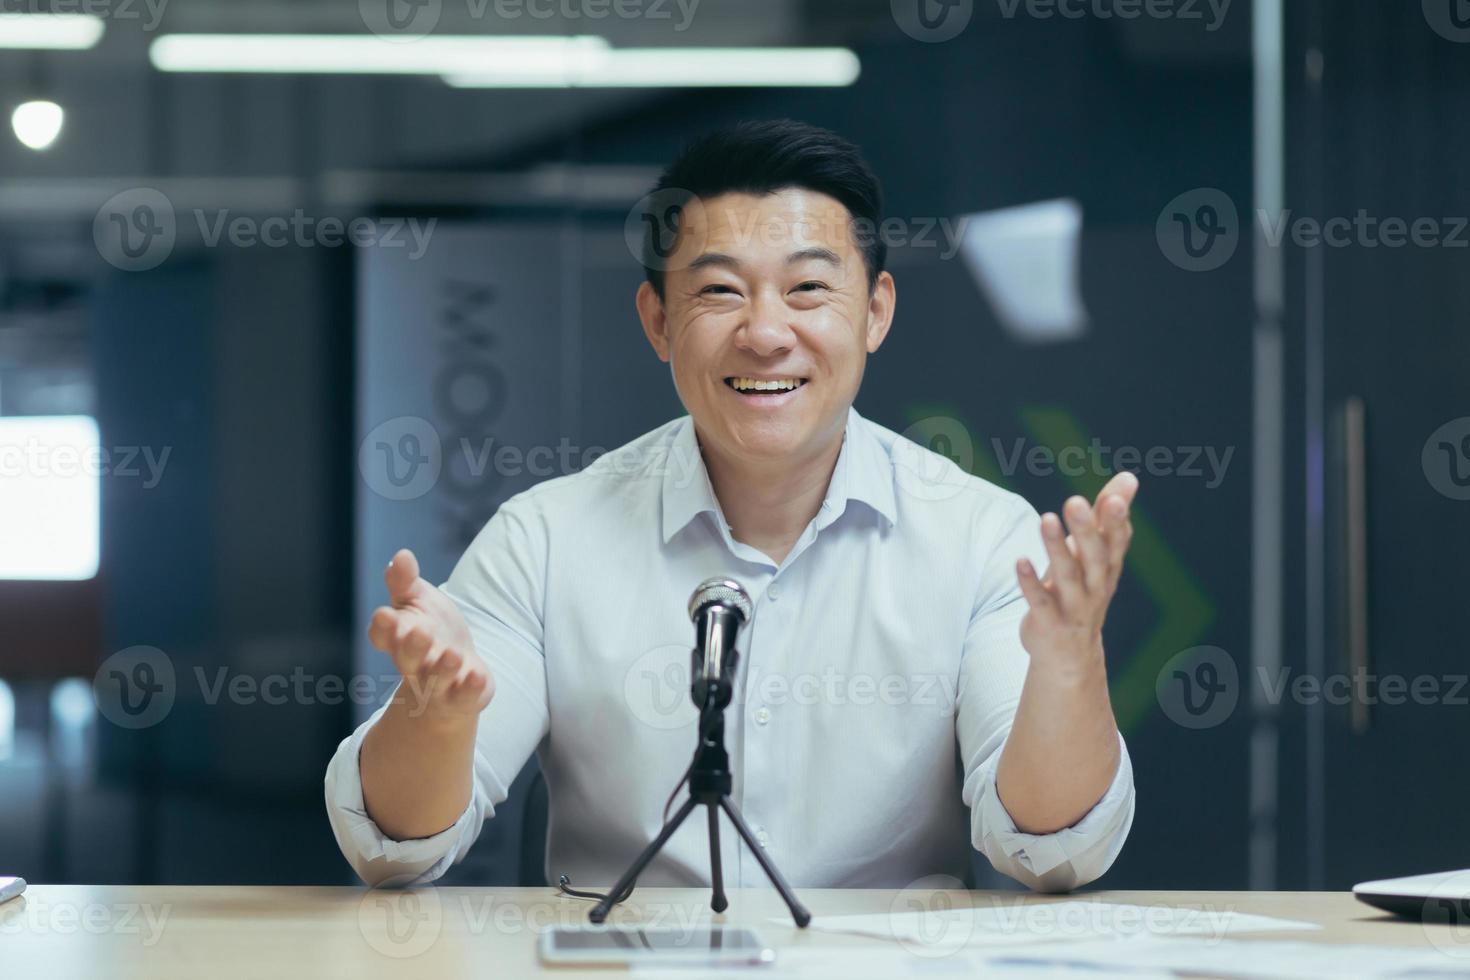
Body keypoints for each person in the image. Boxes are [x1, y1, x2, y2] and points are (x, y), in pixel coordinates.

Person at [326, 119, 1137, 894]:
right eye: (719, 291)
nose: (765, 331)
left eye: (808, 288)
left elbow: (1051, 849)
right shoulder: (546, 539)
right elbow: (395, 848)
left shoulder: (984, 538)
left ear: (876, 311)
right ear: (658, 321)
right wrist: (434, 720)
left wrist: (1071, 670)